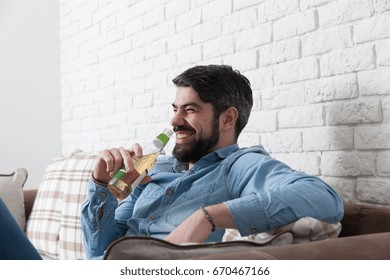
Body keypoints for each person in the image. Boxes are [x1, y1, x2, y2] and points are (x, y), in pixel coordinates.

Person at [81, 64, 344, 259]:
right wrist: (101, 187)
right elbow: (100, 250)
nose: (174, 120)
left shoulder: (240, 166)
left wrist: (206, 217)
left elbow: (324, 198)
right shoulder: (156, 169)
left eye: (190, 109)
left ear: (228, 119)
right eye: (175, 109)